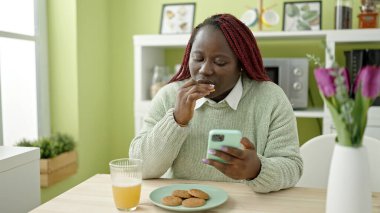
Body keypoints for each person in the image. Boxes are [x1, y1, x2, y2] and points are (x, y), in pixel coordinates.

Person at [129, 13, 303, 193]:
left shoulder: (271, 98)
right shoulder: (169, 95)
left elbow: (292, 167)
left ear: (240, 65)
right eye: (198, 59)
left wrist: (257, 169)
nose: (205, 70)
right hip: (185, 205)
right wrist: (176, 120)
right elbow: (140, 167)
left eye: (220, 62)